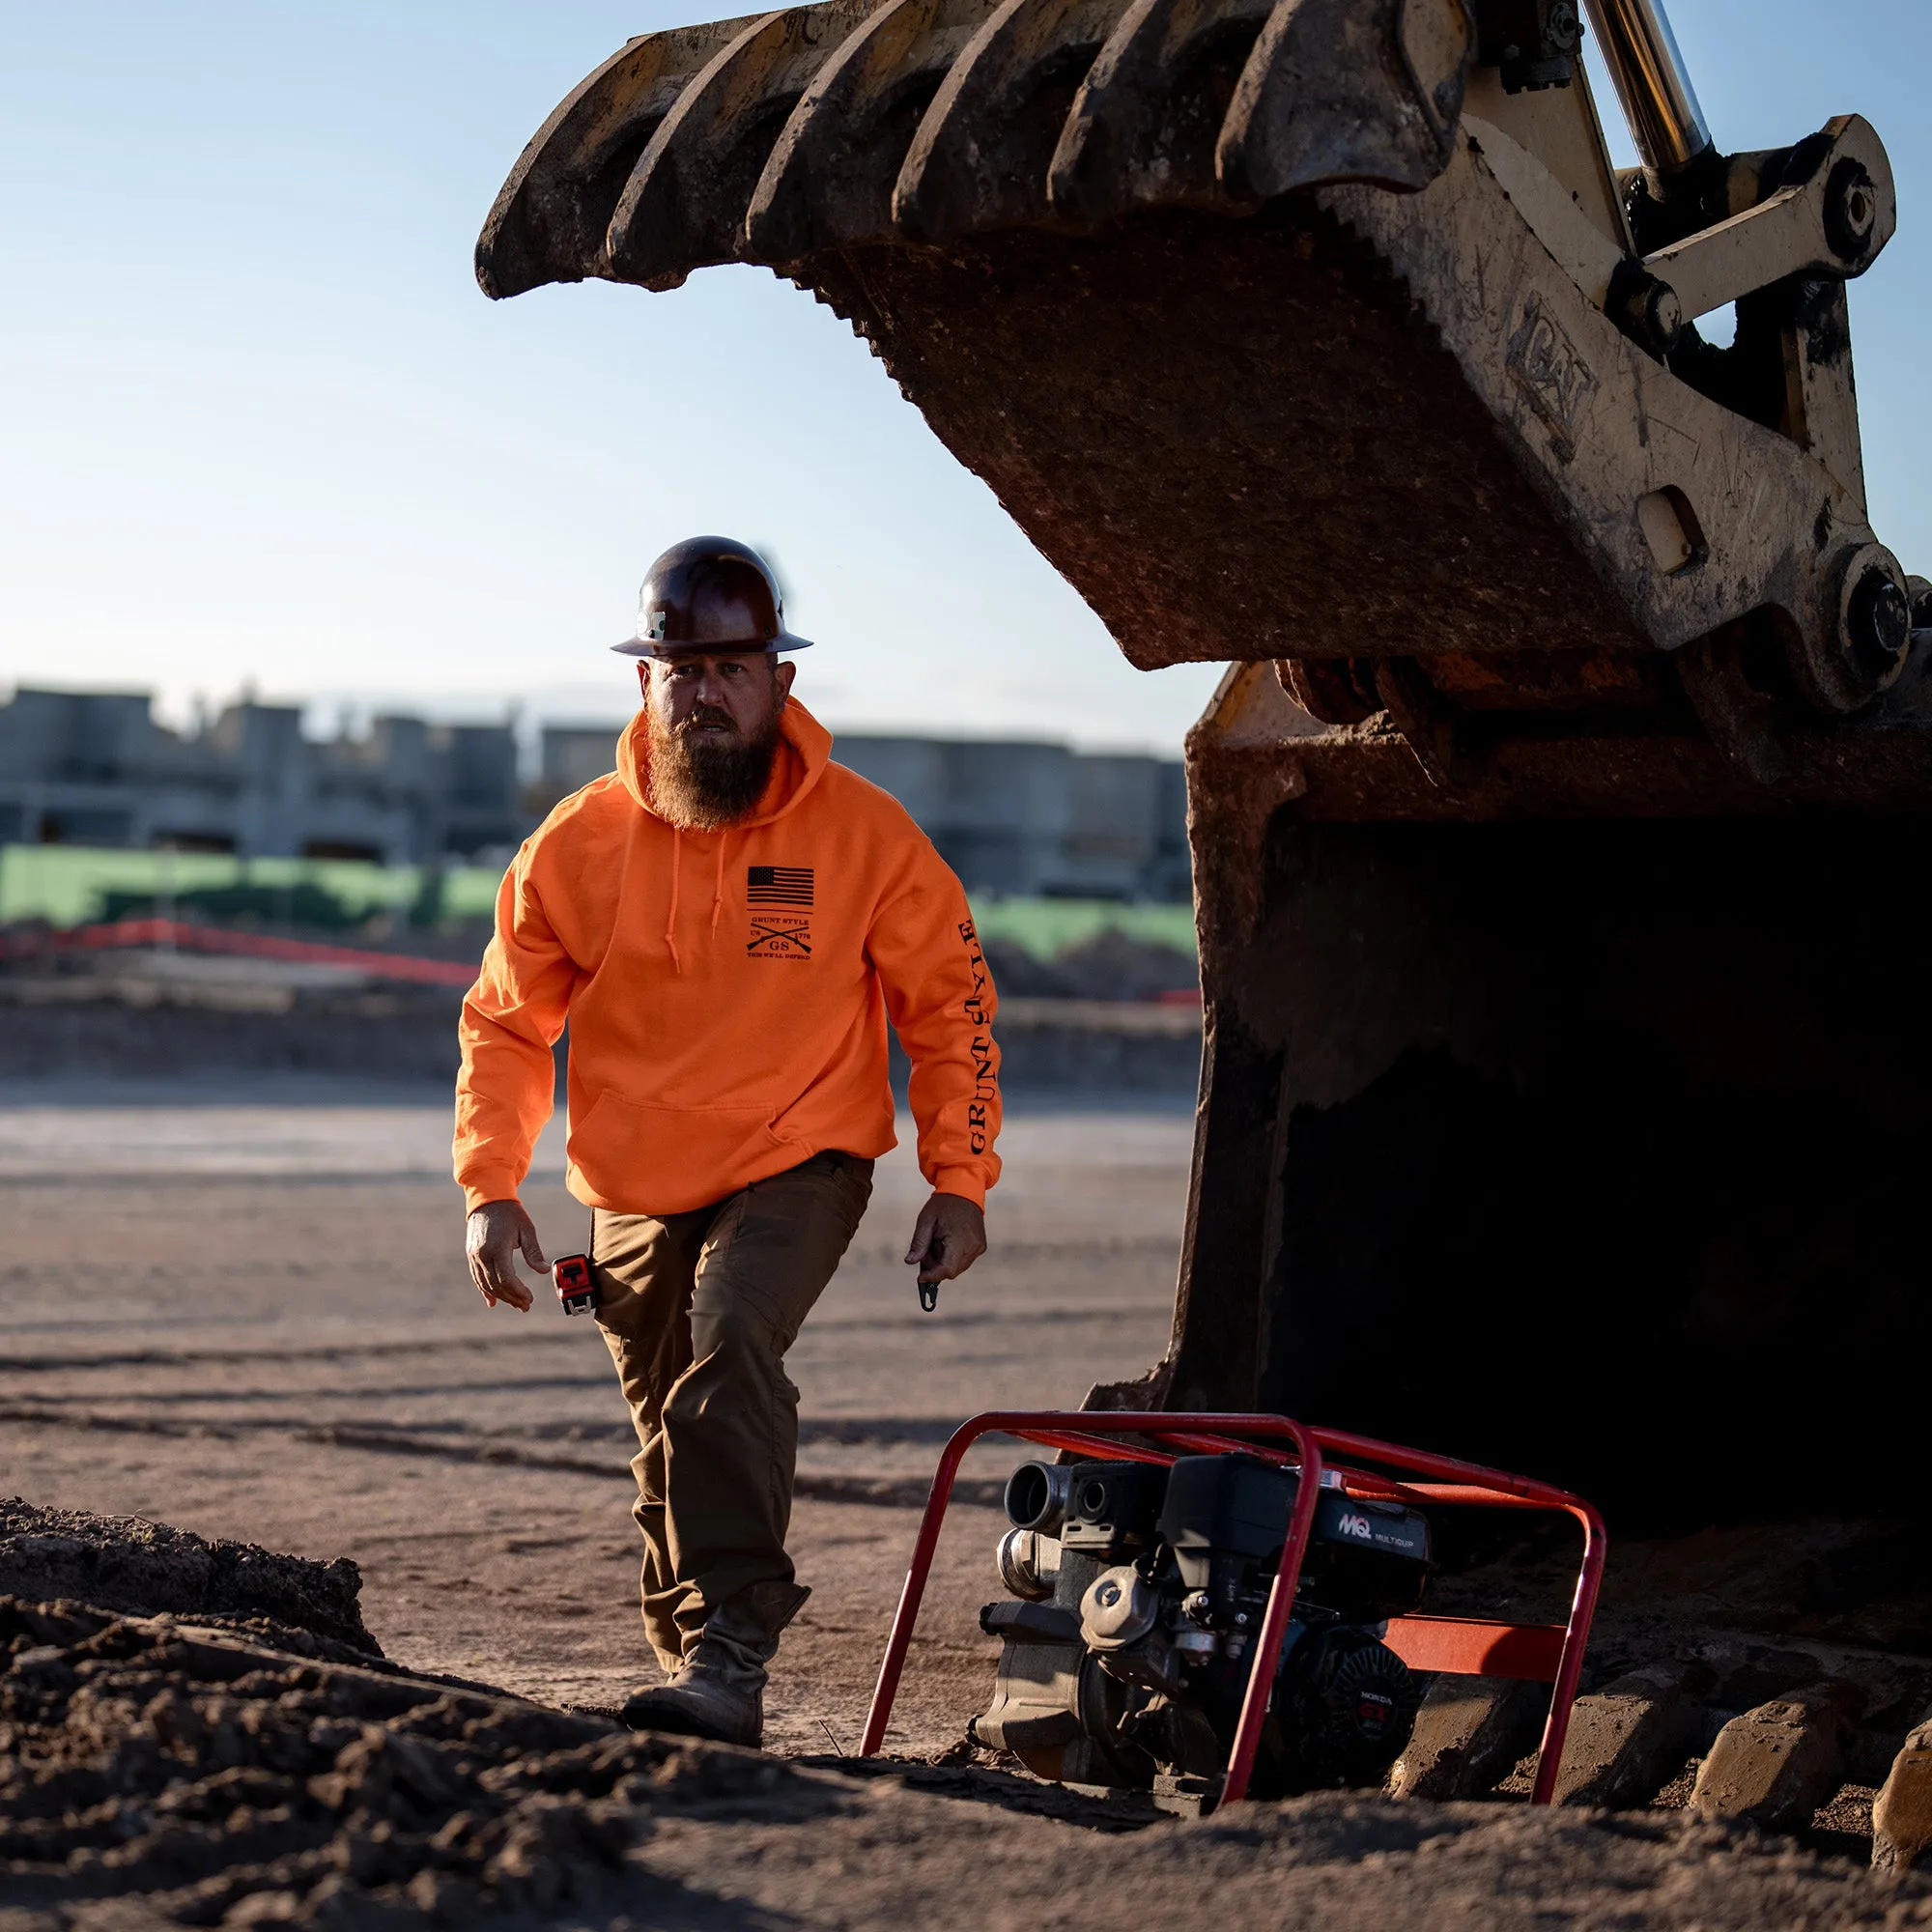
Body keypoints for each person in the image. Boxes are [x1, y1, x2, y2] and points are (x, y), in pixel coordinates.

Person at [453, 536, 1001, 1747]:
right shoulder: (575, 843)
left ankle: (729, 1651)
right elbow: (504, 1021)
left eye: (731, 669)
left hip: (802, 1152)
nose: (705, 692)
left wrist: (956, 1178)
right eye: (682, 669)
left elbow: (950, 1005)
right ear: (644, 682)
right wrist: (490, 1186)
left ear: (778, 681)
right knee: (664, 1422)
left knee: (729, 1341)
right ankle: (692, 1658)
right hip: (633, 1179)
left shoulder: (866, 835)